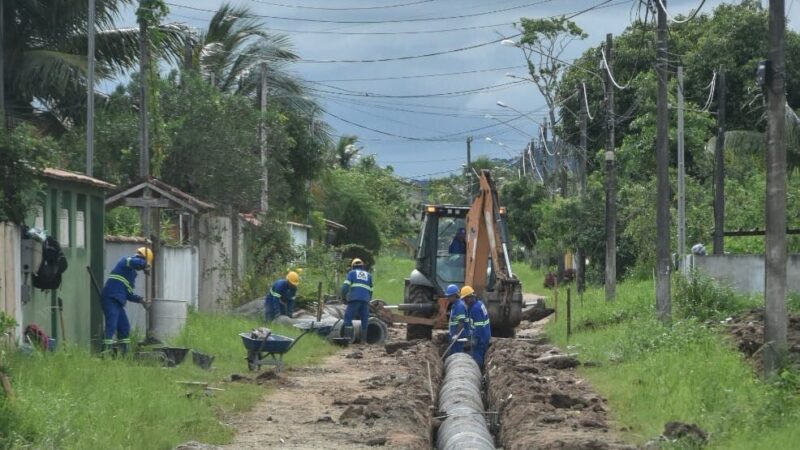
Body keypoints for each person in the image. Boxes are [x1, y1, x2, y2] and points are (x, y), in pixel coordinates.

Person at [100, 247, 153, 355]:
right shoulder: (126, 261)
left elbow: (128, 294)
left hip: (118, 301)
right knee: (112, 325)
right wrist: (145, 264)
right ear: (142, 258)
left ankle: (125, 354)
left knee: (124, 327)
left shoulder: (131, 275)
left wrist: (141, 300)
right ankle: (106, 353)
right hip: (110, 297)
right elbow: (134, 261)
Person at [341, 258, 373, 344]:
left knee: (348, 318)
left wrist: (343, 296)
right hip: (365, 300)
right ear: (362, 266)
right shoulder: (369, 275)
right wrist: (368, 299)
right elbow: (371, 290)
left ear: (353, 266)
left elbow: (345, 287)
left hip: (354, 299)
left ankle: (348, 339)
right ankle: (363, 340)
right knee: (365, 320)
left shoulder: (352, 273)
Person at [463, 287, 491, 369]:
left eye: (464, 299)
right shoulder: (479, 304)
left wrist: (474, 340)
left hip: (481, 338)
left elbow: (478, 327)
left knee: (478, 357)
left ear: (469, 297)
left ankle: (479, 370)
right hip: (484, 334)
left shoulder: (475, 309)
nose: (464, 301)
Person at [448, 285, 471, 356]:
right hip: (456, 337)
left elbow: (461, 323)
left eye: (449, 296)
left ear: (455, 296)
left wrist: (456, 335)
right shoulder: (455, 305)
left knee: (458, 356)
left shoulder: (459, 306)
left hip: (459, 338)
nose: (448, 298)